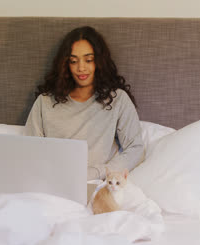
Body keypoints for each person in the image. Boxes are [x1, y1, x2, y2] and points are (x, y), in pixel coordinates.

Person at [25, 26, 144, 181]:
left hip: (97, 185)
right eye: (74, 61)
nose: (81, 68)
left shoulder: (117, 99)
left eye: (88, 60)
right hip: (52, 184)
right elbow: (29, 151)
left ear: (99, 62)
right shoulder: (45, 102)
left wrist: (97, 173)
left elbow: (136, 149)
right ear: (66, 65)